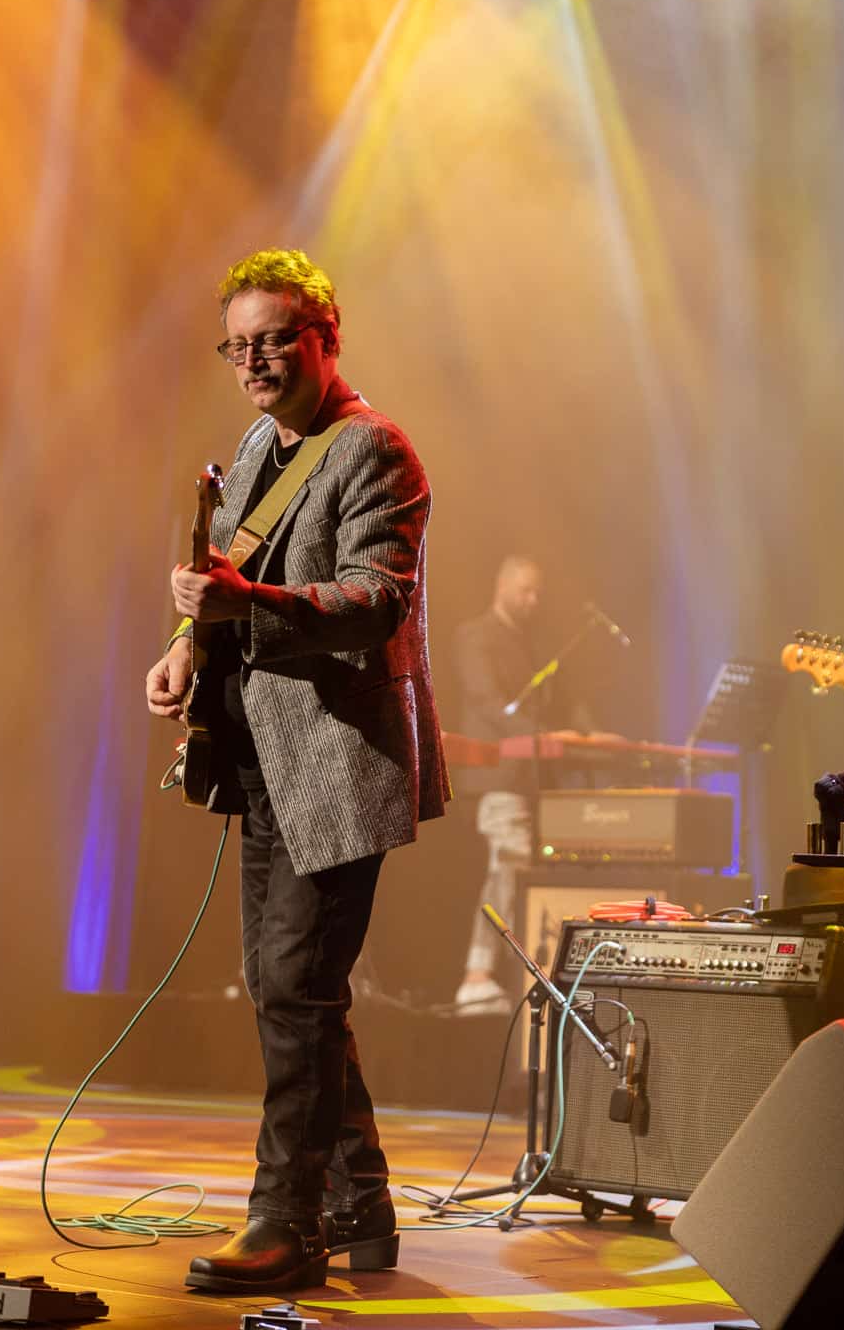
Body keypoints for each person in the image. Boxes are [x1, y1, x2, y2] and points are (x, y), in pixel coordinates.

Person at [145, 248, 448, 1293]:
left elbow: (377, 600)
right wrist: (186, 647)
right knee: (296, 991)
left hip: (339, 762)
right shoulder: (254, 444)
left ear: (327, 335)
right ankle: (360, 1202)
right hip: (266, 761)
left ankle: (286, 1219)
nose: (254, 361)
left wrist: (248, 606)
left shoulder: (374, 448)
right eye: (237, 346)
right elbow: (225, 578)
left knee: (292, 986)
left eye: (274, 339)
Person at [451, 555, 599, 1013]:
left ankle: (511, 976)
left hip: (534, 783)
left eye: (538, 593)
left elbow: (562, 703)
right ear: (503, 586)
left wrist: (584, 734)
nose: (533, 601)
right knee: (507, 869)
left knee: (520, 874)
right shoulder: (475, 636)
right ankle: (476, 975)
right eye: (525, 591)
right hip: (497, 777)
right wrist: (537, 735)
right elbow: (486, 700)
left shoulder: (532, 645)